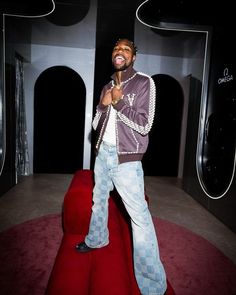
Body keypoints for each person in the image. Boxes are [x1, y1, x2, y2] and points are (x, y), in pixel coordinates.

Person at [75, 38, 167, 295]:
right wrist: (103, 105)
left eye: (126, 49)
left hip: (126, 159)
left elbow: (144, 125)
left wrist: (119, 103)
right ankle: (97, 239)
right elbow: (95, 126)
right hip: (102, 153)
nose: (120, 51)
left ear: (133, 57)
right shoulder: (106, 84)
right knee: (98, 201)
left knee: (140, 220)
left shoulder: (144, 82)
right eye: (116, 48)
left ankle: (152, 285)